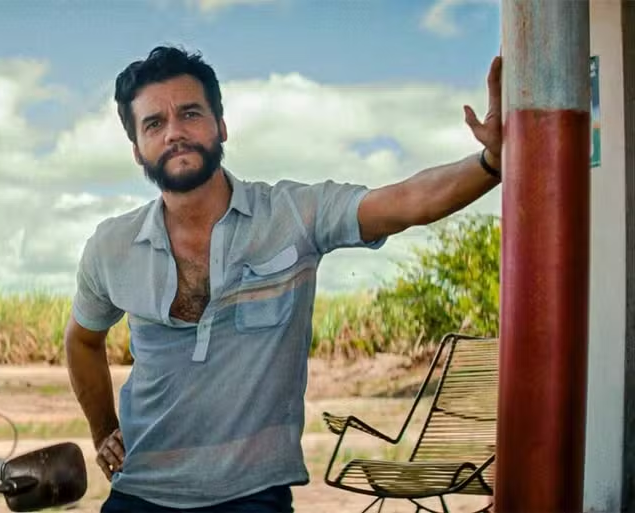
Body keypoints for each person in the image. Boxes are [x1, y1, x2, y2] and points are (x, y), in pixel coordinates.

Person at [64, 45, 503, 513]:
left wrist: (492, 162)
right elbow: (82, 340)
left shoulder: (293, 215)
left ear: (221, 125)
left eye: (190, 113)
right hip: (138, 491)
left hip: (253, 496)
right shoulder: (112, 245)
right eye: (154, 123)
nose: (174, 132)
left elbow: (408, 201)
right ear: (137, 149)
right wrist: (103, 429)